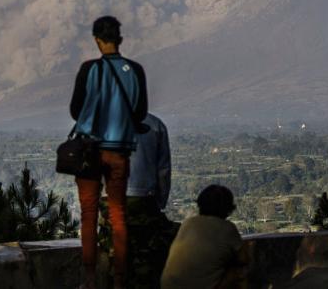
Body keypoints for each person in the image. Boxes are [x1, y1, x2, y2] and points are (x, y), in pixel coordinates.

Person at [70, 16, 148, 289]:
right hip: (119, 153)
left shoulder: (89, 69)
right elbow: (140, 112)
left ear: (96, 40)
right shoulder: (135, 71)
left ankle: (89, 279)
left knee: (89, 213)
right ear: (120, 39)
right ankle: (120, 280)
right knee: (118, 215)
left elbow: (75, 110)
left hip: (89, 151)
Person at [100, 112, 177, 289]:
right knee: (146, 262)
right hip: (144, 201)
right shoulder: (156, 125)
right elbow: (163, 171)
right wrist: (159, 203)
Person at [161, 185, 249, 289]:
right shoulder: (227, 228)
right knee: (237, 272)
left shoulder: (188, 223)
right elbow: (244, 259)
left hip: (168, 286)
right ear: (228, 209)